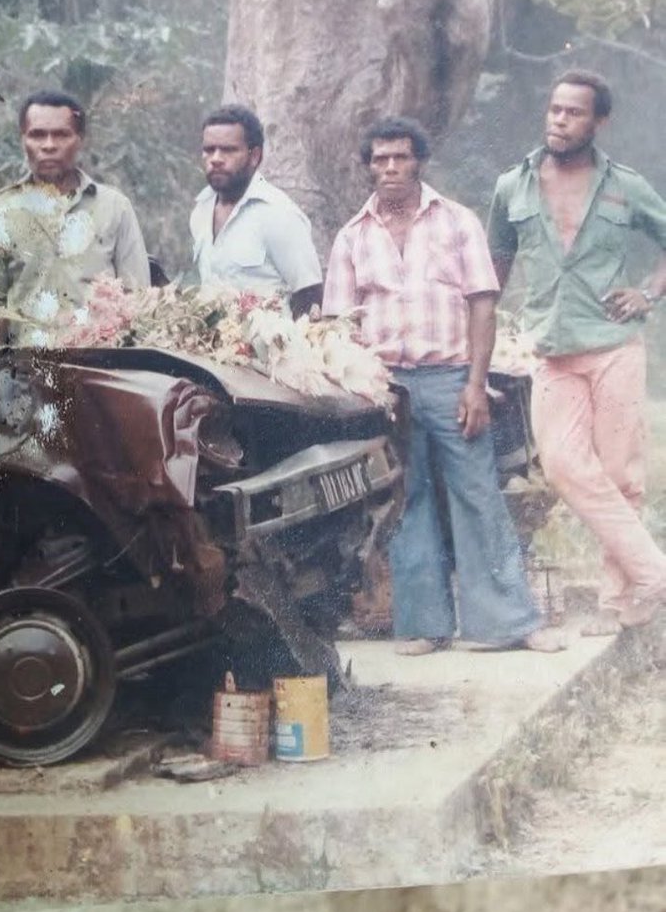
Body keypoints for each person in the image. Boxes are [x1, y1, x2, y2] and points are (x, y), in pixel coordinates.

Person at [323, 117, 560, 655]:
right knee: (409, 501)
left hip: (451, 378)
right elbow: (338, 326)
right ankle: (426, 625)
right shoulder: (352, 236)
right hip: (386, 389)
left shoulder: (456, 221)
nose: (390, 168)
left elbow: (482, 302)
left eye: (400, 158)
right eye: (380, 160)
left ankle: (509, 622)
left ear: (419, 161)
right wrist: (365, 395)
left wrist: (476, 385)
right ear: (368, 166)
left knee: (477, 494)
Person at [488, 69, 666, 633]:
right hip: (550, 349)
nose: (559, 120)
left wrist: (648, 292)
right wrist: (487, 338)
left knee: (619, 475)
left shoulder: (626, 186)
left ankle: (620, 603)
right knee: (564, 467)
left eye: (574, 112)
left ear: (599, 121)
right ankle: (657, 574)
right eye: (555, 109)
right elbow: (493, 269)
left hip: (614, 344)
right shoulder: (511, 187)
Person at [0, 91, 150, 348]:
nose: (48, 145)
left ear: (80, 140)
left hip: (102, 367)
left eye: (61, 134)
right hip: (27, 371)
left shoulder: (114, 207)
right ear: (23, 139)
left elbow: (137, 295)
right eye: (37, 134)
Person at [190, 105, 322, 317]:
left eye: (228, 150)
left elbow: (310, 297)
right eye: (209, 149)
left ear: (254, 156)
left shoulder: (279, 214)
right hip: (210, 347)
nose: (215, 158)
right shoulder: (201, 210)